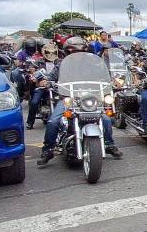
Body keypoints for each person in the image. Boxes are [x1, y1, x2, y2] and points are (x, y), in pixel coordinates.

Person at [37, 36, 123, 166]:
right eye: (73, 52)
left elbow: (104, 77)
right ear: (67, 52)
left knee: (105, 118)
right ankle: (47, 150)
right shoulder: (61, 64)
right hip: (68, 99)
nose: (77, 55)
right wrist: (45, 81)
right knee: (53, 121)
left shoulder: (94, 64)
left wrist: (113, 81)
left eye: (80, 51)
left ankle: (109, 144)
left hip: (89, 98)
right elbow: (51, 77)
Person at [25, 43, 59, 129]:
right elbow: (31, 69)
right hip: (41, 87)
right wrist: (32, 74)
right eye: (48, 52)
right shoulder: (39, 62)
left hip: (56, 87)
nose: (51, 54)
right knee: (34, 102)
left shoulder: (59, 62)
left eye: (53, 52)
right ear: (44, 52)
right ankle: (30, 122)